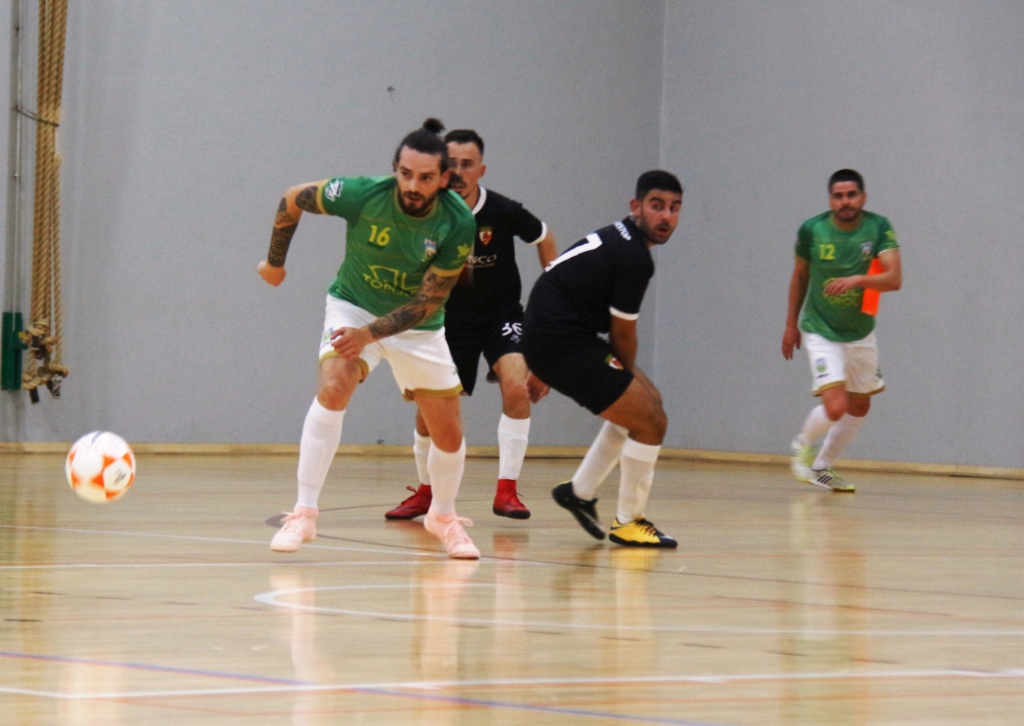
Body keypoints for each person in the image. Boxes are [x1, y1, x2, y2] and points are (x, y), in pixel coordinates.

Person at [257, 118, 481, 559]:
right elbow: (292, 198)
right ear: (394, 168)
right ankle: (303, 513)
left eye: (426, 177)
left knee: (449, 433)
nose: (413, 185)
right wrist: (274, 262)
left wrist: (367, 336)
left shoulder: (457, 222)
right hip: (354, 304)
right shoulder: (362, 194)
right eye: (406, 173)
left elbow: (427, 301)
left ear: (445, 179)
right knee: (334, 384)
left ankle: (443, 516)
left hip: (417, 326)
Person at [385, 129, 557, 521]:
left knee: (517, 386)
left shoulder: (503, 211)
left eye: (467, 164)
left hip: (501, 316)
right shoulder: (427, 212)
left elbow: (544, 238)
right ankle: (426, 492)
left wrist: (552, 300)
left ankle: (507, 491)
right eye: (453, 164)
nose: (459, 171)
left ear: (481, 169)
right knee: (429, 408)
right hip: (446, 320)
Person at [522, 170, 683, 548]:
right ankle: (629, 521)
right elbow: (623, 333)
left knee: (649, 406)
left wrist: (539, 357)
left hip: (556, 338)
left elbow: (555, 284)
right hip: (561, 342)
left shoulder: (618, 236)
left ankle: (578, 492)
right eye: (657, 206)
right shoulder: (634, 257)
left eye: (674, 209)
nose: (666, 217)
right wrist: (624, 379)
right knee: (650, 420)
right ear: (636, 207)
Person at [782, 168, 902, 493]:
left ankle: (823, 466)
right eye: (838, 196)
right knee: (836, 406)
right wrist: (791, 324)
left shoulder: (878, 227)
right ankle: (801, 445)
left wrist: (858, 280)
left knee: (860, 405)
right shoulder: (812, 230)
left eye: (851, 195)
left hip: (860, 331)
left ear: (863, 197)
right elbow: (799, 277)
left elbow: (894, 278)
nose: (845, 201)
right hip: (820, 329)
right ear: (830, 200)